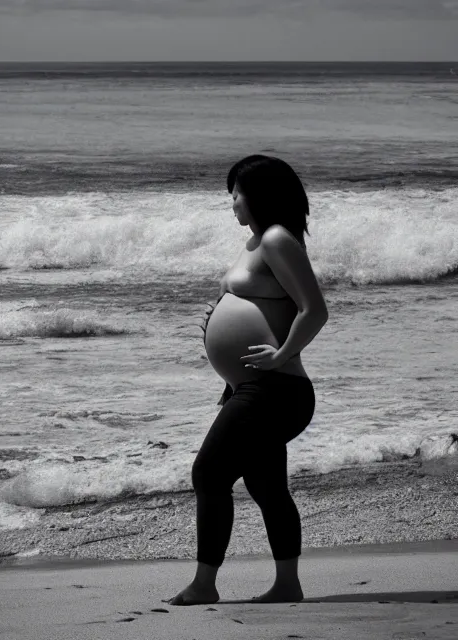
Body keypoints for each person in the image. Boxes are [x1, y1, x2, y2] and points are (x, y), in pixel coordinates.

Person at [165, 155, 329, 606]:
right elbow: (262, 305)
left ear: (257, 195)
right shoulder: (257, 241)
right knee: (266, 486)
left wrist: (280, 354)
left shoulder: (277, 238)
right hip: (253, 389)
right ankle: (287, 585)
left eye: (235, 193)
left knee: (208, 474)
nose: (232, 202)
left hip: (276, 390)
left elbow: (314, 309)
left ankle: (203, 585)